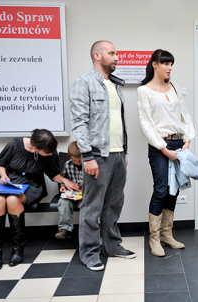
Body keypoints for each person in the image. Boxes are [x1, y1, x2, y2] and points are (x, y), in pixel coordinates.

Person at [70, 40, 136, 271]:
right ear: (97, 56)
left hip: (118, 154)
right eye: (112, 53)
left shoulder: (115, 85)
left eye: (116, 53)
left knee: (114, 204)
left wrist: (123, 151)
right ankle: (89, 253)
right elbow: (79, 122)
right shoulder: (84, 83)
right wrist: (87, 156)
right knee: (92, 206)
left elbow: (118, 122)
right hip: (97, 155)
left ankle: (111, 246)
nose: (117, 57)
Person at [0, 129, 79, 271]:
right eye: (47, 153)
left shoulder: (50, 150)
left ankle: (17, 249)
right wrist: (4, 176)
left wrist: (65, 181)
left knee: (13, 200)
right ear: (35, 148)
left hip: (32, 184)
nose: (50, 155)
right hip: (9, 181)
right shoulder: (14, 145)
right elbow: (0, 163)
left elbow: (53, 173)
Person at [137, 49, 195, 257]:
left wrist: (187, 140)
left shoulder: (175, 88)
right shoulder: (144, 91)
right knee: (161, 189)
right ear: (154, 64)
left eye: (171, 64)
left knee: (174, 190)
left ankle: (166, 235)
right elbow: (146, 124)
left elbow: (184, 115)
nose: (169, 67)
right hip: (159, 146)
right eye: (165, 63)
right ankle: (154, 239)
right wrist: (163, 148)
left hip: (179, 143)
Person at [55, 141, 83, 239]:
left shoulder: (89, 165)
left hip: (86, 194)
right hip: (71, 193)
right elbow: (64, 177)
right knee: (63, 202)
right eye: (75, 161)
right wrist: (62, 186)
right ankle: (65, 229)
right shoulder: (68, 164)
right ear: (69, 156)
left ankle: (87, 229)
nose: (78, 163)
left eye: (80, 160)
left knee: (86, 205)